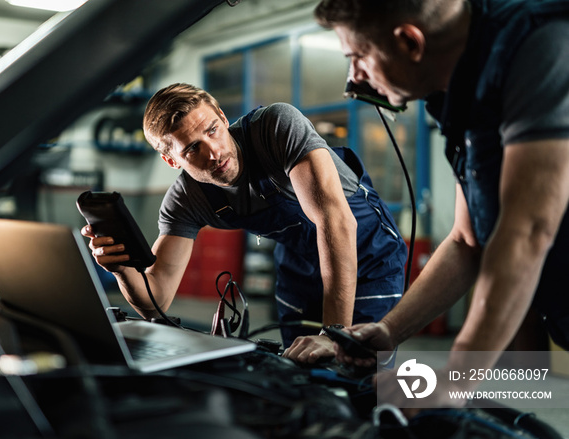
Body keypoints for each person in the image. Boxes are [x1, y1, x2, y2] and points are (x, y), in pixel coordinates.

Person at [314, 0, 569, 406]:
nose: (354, 77)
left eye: (357, 56)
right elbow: (467, 242)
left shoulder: (541, 47)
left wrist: (454, 380)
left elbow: (529, 229)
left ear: (409, 42)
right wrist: (389, 330)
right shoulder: (460, 99)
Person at [82, 83, 407, 362]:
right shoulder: (186, 199)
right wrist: (122, 267)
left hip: (368, 257)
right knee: (298, 375)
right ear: (171, 160)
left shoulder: (276, 128)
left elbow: (335, 223)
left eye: (212, 130)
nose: (213, 152)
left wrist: (333, 333)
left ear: (223, 118)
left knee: (362, 371)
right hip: (300, 268)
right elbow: (157, 301)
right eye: (193, 148)